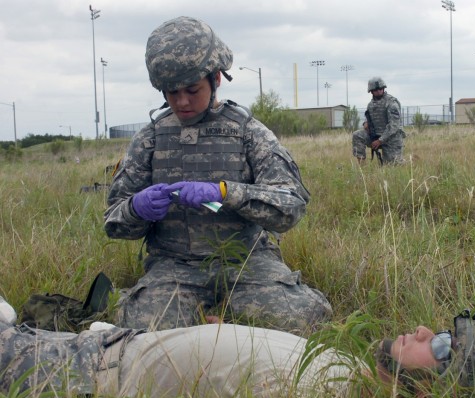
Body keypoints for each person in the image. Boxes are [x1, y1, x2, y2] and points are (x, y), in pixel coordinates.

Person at [104, 16, 331, 334]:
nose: (181, 101)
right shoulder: (150, 138)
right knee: (145, 331)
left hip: (246, 261)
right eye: (171, 92)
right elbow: (113, 221)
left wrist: (226, 192)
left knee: (301, 319)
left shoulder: (247, 131)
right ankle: (217, 322)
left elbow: (291, 205)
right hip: (173, 267)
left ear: (216, 79)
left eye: (192, 89)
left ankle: (221, 321)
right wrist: (135, 208)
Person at [0, 299, 475, 398]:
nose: (427, 330)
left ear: (429, 394)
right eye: (445, 330)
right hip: (109, 346)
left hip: (85, 380)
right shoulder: (351, 380)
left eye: (443, 346)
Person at [354, 76, 406, 165]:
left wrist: (380, 140)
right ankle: (362, 168)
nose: (378, 91)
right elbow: (370, 120)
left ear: (383, 88)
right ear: (371, 91)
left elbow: (394, 126)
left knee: (392, 167)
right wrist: (366, 124)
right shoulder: (370, 105)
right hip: (376, 136)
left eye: (380, 89)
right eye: (376, 90)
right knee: (358, 135)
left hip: (392, 138)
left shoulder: (391, 103)